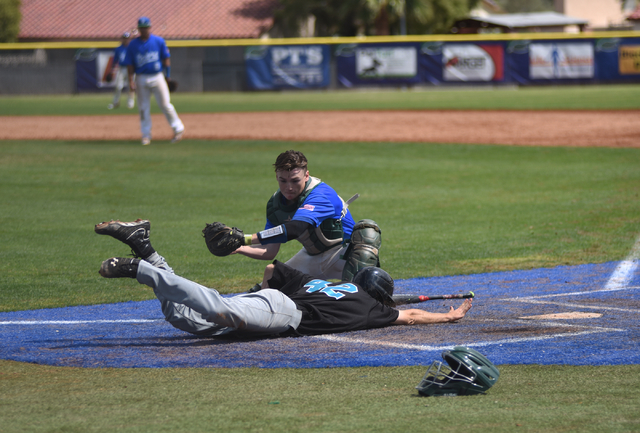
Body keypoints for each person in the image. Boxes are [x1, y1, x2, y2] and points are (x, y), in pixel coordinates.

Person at [95, 219, 472, 338]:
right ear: (380, 295)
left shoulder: (343, 288)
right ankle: (140, 269)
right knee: (219, 307)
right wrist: (449, 317)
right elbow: (412, 316)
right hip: (282, 314)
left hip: (276, 303)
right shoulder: (371, 309)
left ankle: (146, 250)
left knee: (185, 318)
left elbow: (275, 269)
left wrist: (259, 290)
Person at [230, 150, 382, 290]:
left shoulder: (321, 194)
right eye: (283, 181)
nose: (288, 187)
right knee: (268, 285)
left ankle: (368, 293)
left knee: (362, 289)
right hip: (311, 256)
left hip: (342, 256)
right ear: (276, 176)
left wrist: (245, 239)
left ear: (306, 175)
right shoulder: (275, 205)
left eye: (295, 181)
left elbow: (296, 228)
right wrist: (238, 247)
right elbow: (269, 251)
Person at [122, 16, 184, 146]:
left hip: (157, 76)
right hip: (141, 77)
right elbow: (130, 64)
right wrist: (131, 81)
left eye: (146, 28)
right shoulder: (133, 45)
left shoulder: (158, 41)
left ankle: (178, 129)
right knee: (143, 108)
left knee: (166, 104)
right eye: (142, 28)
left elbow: (166, 58)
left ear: (150, 28)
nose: (144, 30)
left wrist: (167, 76)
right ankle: (146, 135)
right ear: (139, 29)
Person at [106, 32, 135, 110]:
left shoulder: (132, 48)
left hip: (131, 69)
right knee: (118, 86)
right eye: (125, 38)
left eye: (127, 38)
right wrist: (111, 71)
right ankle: (115, 102)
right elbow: (115, 60)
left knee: (131, 87)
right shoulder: (118, 49)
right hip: (122, 68)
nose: (126, 40)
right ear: (122, 39)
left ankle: (130, 103)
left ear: (129, 39)